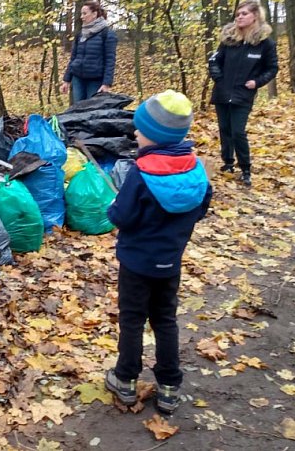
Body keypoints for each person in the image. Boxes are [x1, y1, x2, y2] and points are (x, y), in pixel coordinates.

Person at [104, 90, 212, 415]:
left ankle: (124, 380)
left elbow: (120, 216)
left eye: (140, 129)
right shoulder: (196, 169)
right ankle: (169, 388)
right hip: (170, 263)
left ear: (155, 135)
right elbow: (201, 208)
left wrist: (113, 205)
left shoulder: (141, 173)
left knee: (133, 319)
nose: (135, 133)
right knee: (165, 320)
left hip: (136, 264)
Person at [208, 0, 278, 187]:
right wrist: (219, 79)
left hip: (243, 95)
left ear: (255, 16)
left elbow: (272, 68)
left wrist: (257, 82)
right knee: (225, 130)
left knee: (238, 131)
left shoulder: (265, 44)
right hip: (223, 92)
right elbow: (214, 61)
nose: (239, 17)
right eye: (238, 14)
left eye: (244, 14)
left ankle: (245, 168)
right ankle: (228, 163)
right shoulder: (229, 40)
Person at [61, 1, 117, 104]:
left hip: (95, 81)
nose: (82, 17)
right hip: (78, 79)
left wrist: (106, 84)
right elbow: (73, 58)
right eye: (81, 14)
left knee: (91, 112)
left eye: (85, 13)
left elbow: (110, 61)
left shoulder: (107, 34)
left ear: (94, 14)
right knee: (77, 111)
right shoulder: (80, 34)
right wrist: (67, 80)